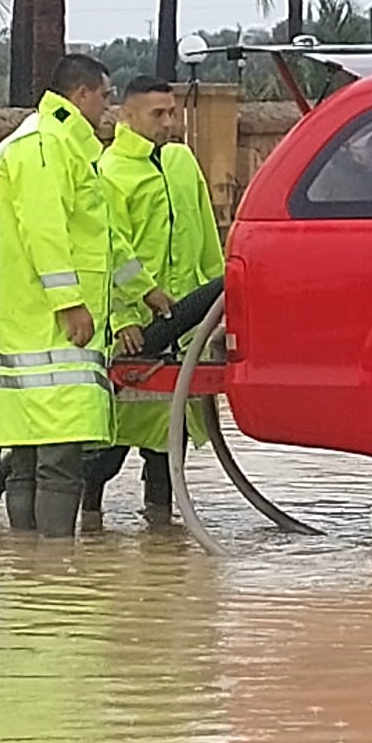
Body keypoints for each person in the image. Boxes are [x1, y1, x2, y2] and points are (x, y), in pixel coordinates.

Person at [0, 54, 170, 538]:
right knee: (54, 458)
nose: (108, 107)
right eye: (104, 96)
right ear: (81, 95)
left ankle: (30, 568)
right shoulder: (45, 146)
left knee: (32, 456)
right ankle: (55, 567)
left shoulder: (64, 147)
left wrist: (143, 289)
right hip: (45, 328)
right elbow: (46, 231)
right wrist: (70, 304)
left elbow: (99, 236)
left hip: (35, 326)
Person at [84, 75, 226, 527]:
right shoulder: (109, 173)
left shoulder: (182, 162)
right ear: (127, 116)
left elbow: (207, 241)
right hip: (137, 336)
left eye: (172, 113)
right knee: (108, 446)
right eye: (157, 114)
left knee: (169, 444)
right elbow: (108, 253)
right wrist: (124, 316)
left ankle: (161, 532)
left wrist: (220, 306)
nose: (168, 122)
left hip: (185, 333)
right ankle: (86, 524)